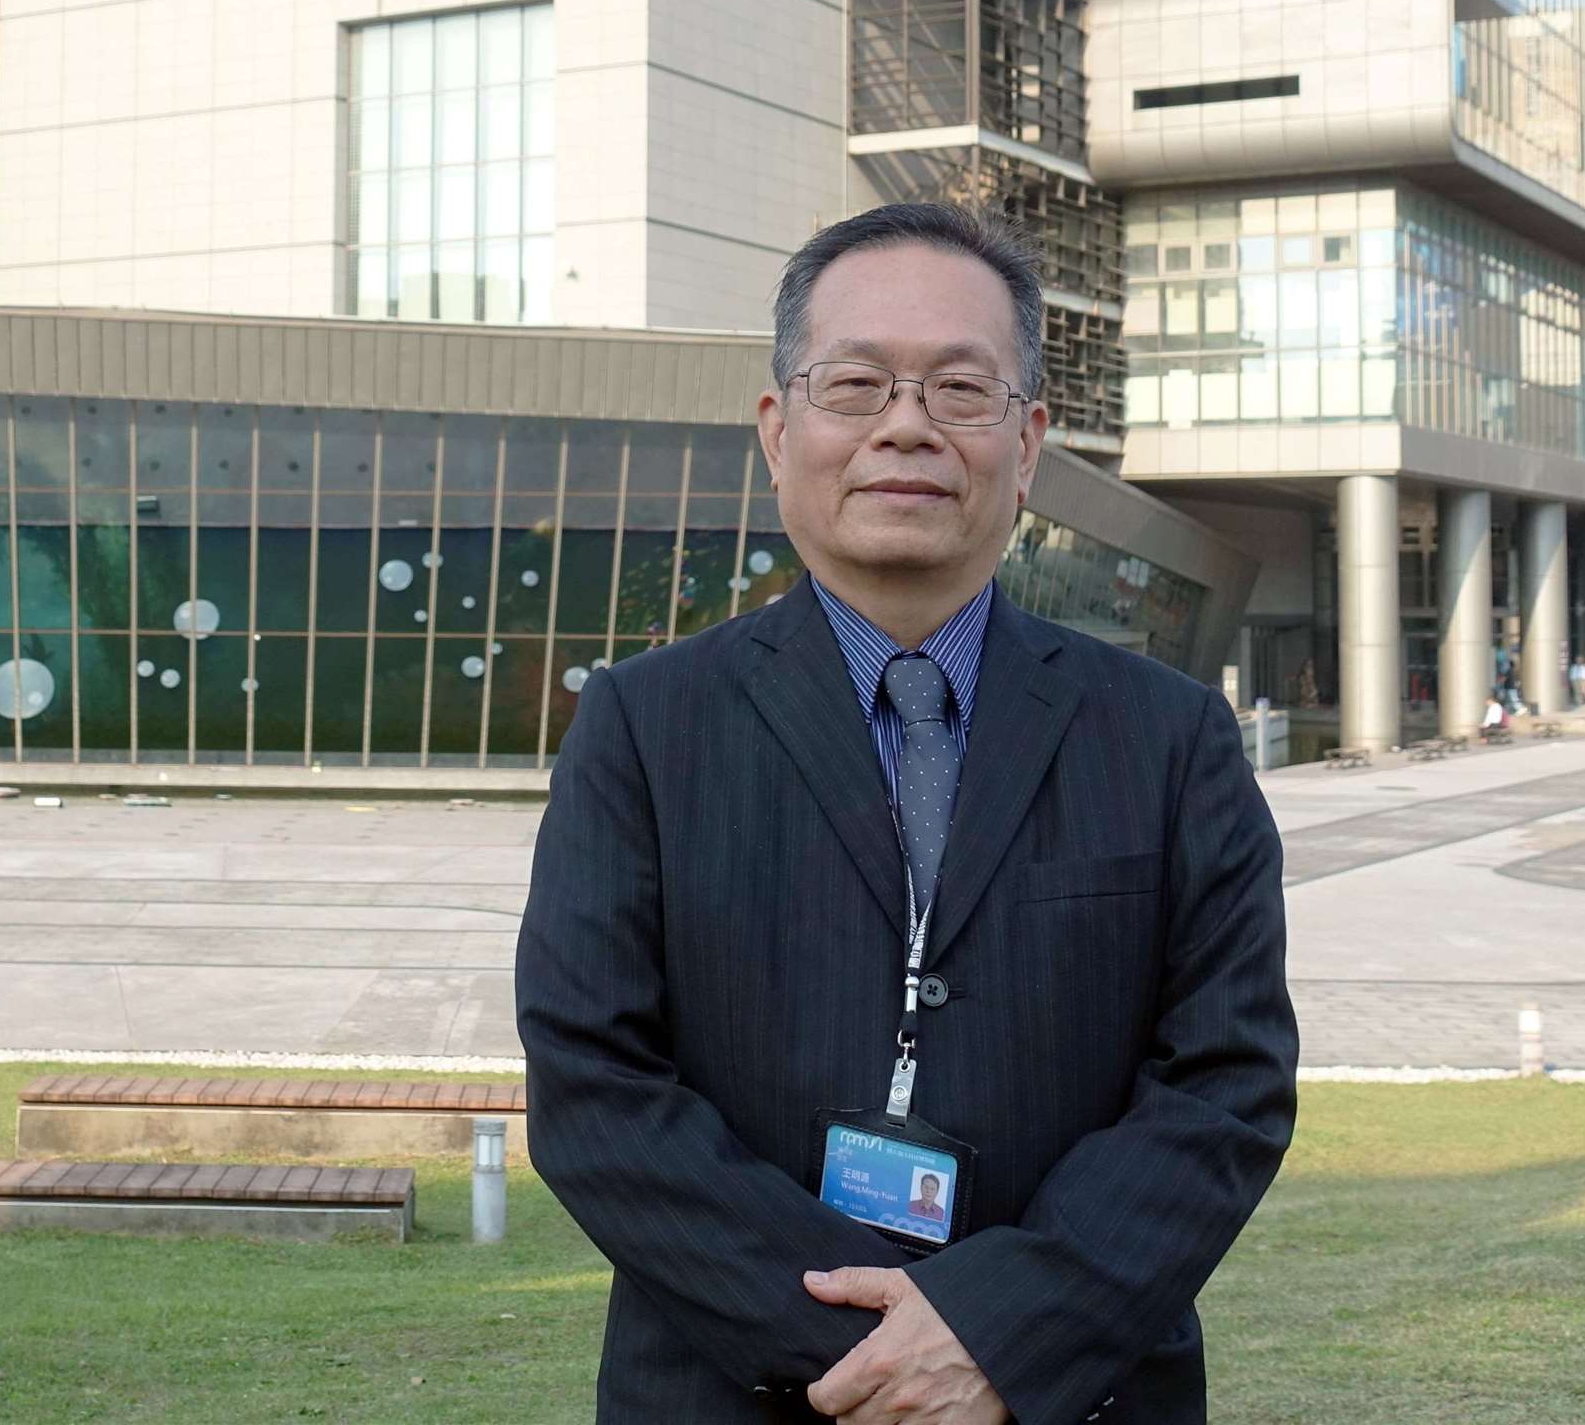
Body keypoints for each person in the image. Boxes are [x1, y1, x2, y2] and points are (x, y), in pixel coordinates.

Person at [518, 201, 1299, 1423]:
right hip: (736, 1391)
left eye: (960, 390)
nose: (905, 425)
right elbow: (594, 1089)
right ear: (777, 430)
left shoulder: (1170, 737)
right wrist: (874, 1355)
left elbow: (1224, 1083)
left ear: (1027, 444)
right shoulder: (643, 728)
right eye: (856, 384)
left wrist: (999, 1337)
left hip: (1068, 1393)